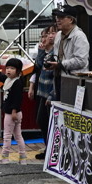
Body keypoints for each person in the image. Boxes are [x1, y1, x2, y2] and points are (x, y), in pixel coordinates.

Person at [45, 5, 90, 98]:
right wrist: (51, 62)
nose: (57, 20)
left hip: (75, 81)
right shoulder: (58, 35)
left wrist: (60, 64)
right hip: (59, 79)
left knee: (71, 111)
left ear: (70, 20)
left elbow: (81, 61)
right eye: (57, 17)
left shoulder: (79, 36)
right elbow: (57, 56)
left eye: (61, 17)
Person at [29, 26, 57, 161]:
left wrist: (52, 94)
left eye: (52, 33)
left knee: (49, 122)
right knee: (42, 120)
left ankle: (51, 151)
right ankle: (48, 149)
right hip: (42, 91)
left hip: (51, 92)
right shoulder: (45, 52)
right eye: (46, 35)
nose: (47, 37)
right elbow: (38, 67)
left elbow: (54, 75)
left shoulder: (56, 52)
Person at [0, 58, 28, 164]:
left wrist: (13, 111)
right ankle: (23, 158)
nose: (9, 70)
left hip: (12, 113)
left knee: (7, 136)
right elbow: (1, 76)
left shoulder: (17, 83)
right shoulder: (9, 80)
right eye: (7, 68)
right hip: (15, 113)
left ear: (18, 71)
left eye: (12, 68)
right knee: (18, 135)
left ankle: (5, 157)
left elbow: (17, 99)